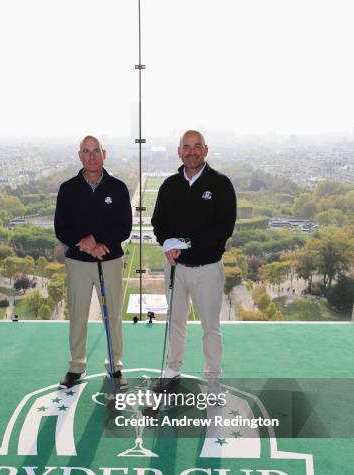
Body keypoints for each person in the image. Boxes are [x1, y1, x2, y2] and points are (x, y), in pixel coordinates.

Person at [151, 130, 237, 389]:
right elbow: (158, 223)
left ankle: (212, 376)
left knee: (210, 327)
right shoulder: (169, 185)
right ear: (179, 151)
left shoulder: (221, 184)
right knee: (175, 323)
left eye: (196, 146)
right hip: (176, 268)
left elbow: (224, 228)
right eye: (186, 147)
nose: (191, 151)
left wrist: (184, 245)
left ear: (205, 149)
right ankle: (172, 369)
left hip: (208, 269)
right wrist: (166, 243)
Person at [54, 135, 132, 388]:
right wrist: (85, 243)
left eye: (95, 151)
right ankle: (76, 366)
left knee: (113, 315)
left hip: (109, 260)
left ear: (104, 153)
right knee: (77, 314)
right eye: (86, 151)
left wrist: (98, 244)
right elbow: (60, 228)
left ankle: (115, 366)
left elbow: (124, 227)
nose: (91, 156)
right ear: (79, 156)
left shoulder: (118, 187)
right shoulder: (68, 188)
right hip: (77, 261)